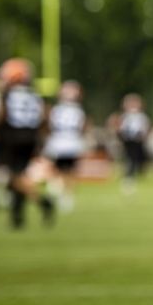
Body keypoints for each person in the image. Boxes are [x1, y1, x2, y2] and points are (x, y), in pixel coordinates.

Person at [0, 58, 56, 229]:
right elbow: (44, 117)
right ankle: (17, 216)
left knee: (12, 176)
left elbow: (1, 116)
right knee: (19, 176)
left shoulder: (7, 94)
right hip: (31, 138)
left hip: (13, 137)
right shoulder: (34, 93)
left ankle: (43, 202)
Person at [42, 80, 87, 212]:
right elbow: (81, 128)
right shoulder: (78, 111)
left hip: (58, 140)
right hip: (72, 141)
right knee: (70, 171)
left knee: (57, 168)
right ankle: (67, 196)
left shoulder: (56, 110)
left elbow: (50, 126)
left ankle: (56, 188)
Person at [108, 93, 150, 194]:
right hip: (126, 140)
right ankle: (128, 177)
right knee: (128, 158)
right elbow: (118, 127)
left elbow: (145, 128)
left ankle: (132, 176)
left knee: (135, 158)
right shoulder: (124, 116)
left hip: (136, 140)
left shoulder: (141, 116)